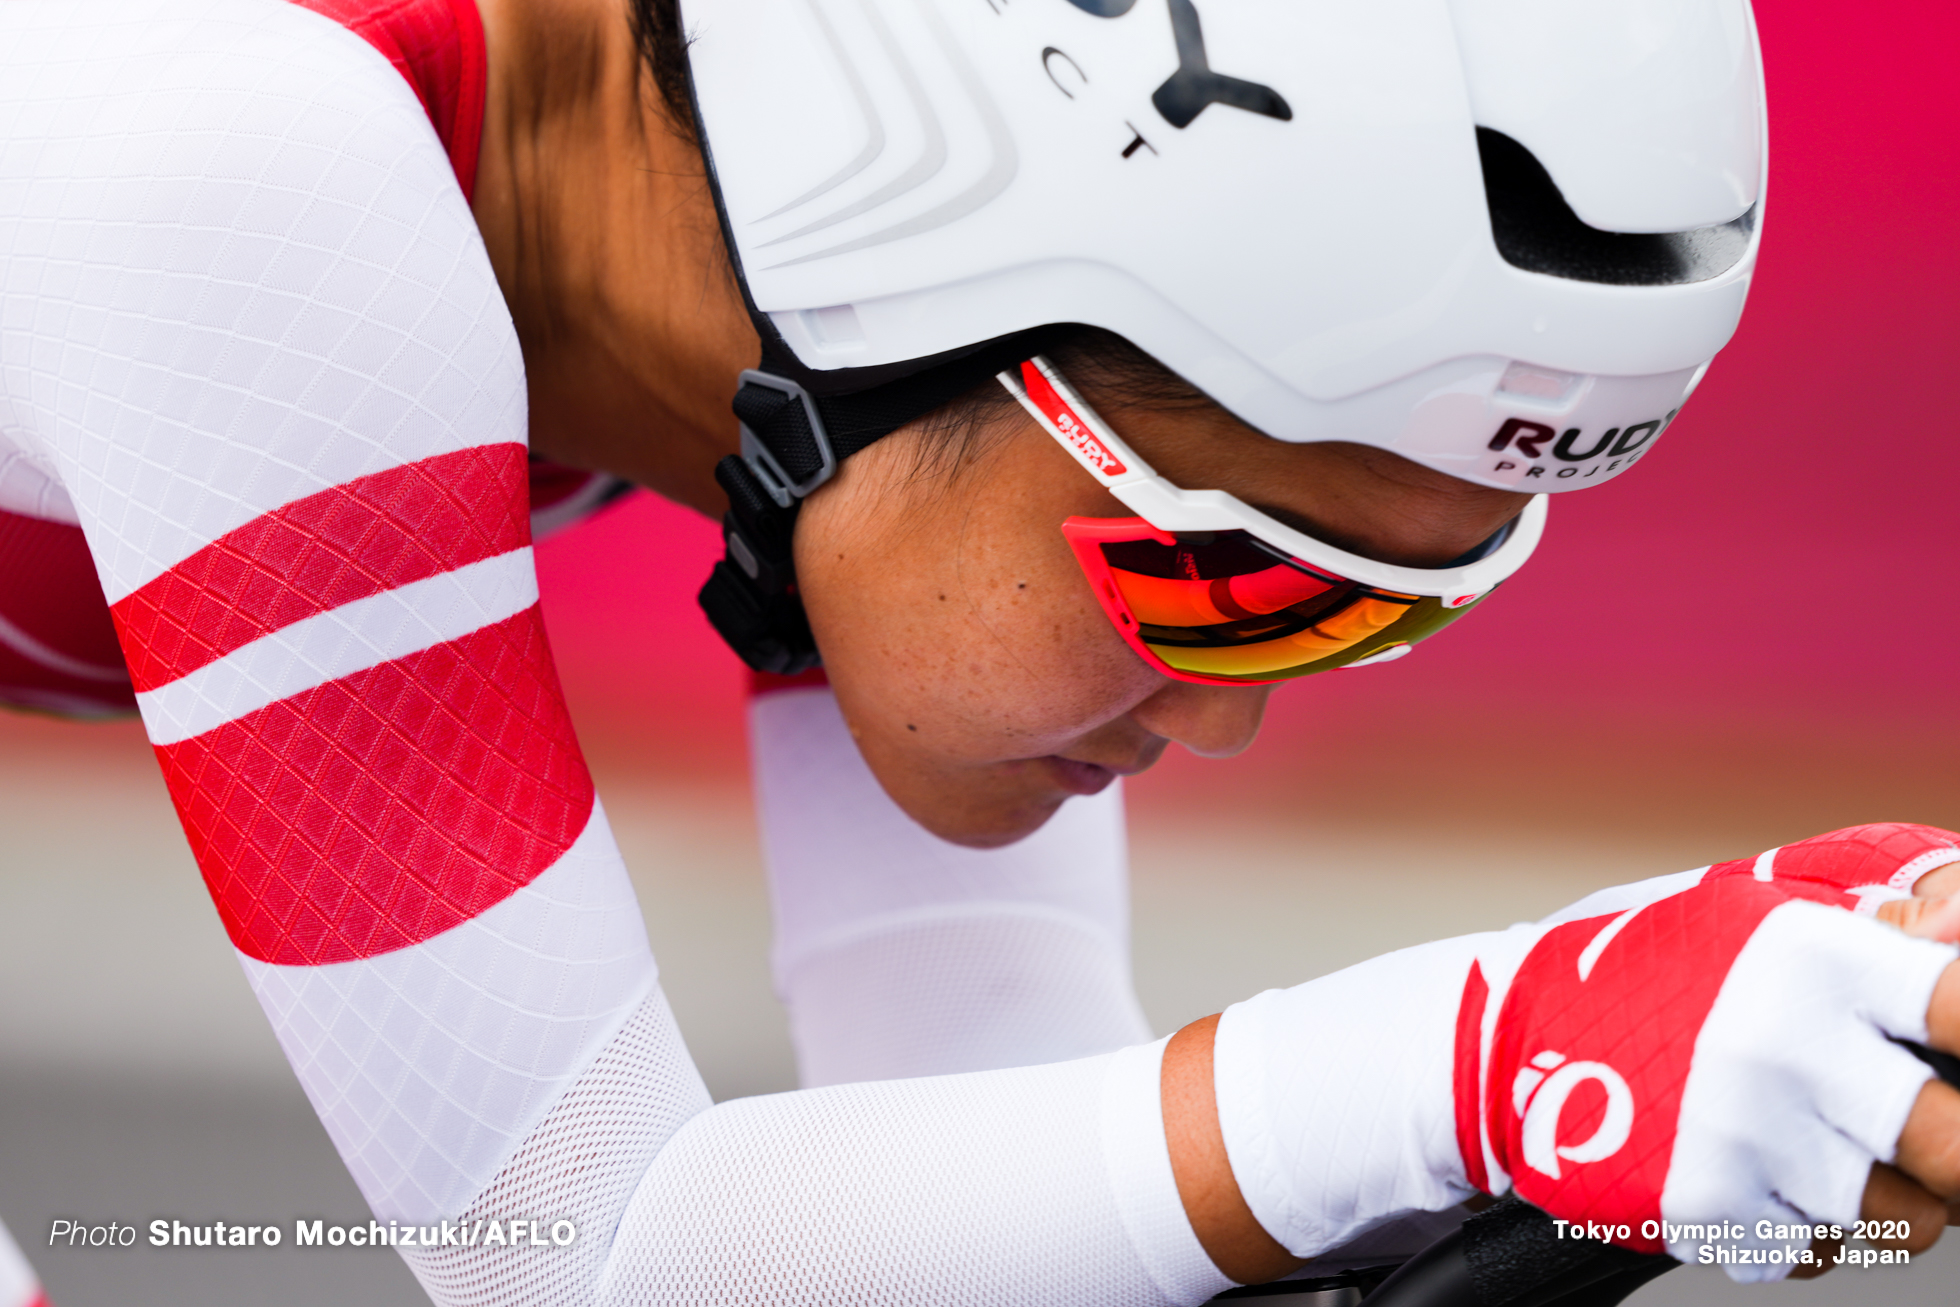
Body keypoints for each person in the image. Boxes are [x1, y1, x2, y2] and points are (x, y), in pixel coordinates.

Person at [1, 0, 1956, 1304]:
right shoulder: (238, 161)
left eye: (1385, 609)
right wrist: (1481, 1051)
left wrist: (1689, 1041)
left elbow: (987, 1149)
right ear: (885, 247)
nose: (1234, 714)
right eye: (1228, 573)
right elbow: (574, 1253)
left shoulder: (841, 389)